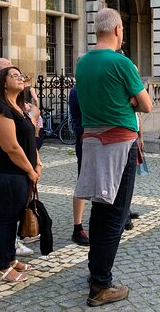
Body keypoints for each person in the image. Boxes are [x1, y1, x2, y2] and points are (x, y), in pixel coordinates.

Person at [73, 8, 153, 307]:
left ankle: (95, 272)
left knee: (99, 210)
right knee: (115, 215)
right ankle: (100, 285)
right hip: (120, 145)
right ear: (118, 30)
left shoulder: (82, 63)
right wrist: (131, 97)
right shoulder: (122, 63)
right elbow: (146, 106)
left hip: (93, 141)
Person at [0, 66, 42, 283]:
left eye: (21, 75)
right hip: (6, 173)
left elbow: (29, 140)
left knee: (14, 217)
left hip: (23, 172)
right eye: (14, 76)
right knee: (5, 220)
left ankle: (10, 259)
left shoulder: (19, 107)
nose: (20, 78)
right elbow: (11, 147)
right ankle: (0, 266)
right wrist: (29, 169)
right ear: (3, 82)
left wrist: (37, 162)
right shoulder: (0, 109)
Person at [68, 85, 90, 246]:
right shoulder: (78, 90)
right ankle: (78, 227)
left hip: (98, 140)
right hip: (86, 141)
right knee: (83, 183)